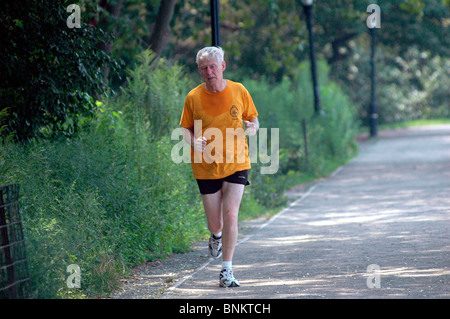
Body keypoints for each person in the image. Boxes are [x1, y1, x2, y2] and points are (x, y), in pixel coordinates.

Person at [179, 46, 259, 287]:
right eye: (204, 68)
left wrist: (252, 127)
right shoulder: (193, 97)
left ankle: (227, 270)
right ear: (199, 71)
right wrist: (194, 141)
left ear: (222, 66)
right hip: (206, 166)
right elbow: (184, 129)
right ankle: (216, 236)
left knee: (231, 213)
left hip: (237, 162)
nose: (209, 72)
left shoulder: (239, 90)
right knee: (216, 223)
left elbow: (253, 118)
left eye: (213, 66)